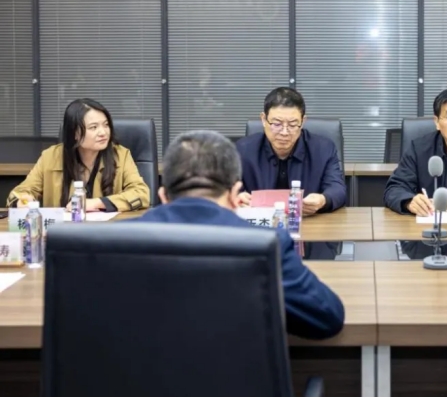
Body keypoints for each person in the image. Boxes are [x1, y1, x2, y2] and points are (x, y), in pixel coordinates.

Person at [132, 130, 345, 340]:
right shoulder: (266, 243)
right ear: (235, 195)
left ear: (163, 196)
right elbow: (328, 316)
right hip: (237, 363)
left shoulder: (118, 241)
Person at [7, 98, 150, 212]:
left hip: (106, 233)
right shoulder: (51, 157)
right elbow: (19, 193)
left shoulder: (120, 155)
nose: (103, 132)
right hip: (62, 233)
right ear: (75, 133)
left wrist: (97, 203)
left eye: (106, 125)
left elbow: (141, 193)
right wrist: (22, 201)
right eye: (94, 127)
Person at [236, 87, 347, 215]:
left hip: (308, 223)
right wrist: (236, 197)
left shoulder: (323, 149)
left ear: (303, 121)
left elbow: (337, 189)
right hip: (260, 224)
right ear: (263, 119)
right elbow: (225, 189)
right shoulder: (242, 150)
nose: (284, 132)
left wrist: (323, 200)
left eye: (293, 125)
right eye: (277, 124)